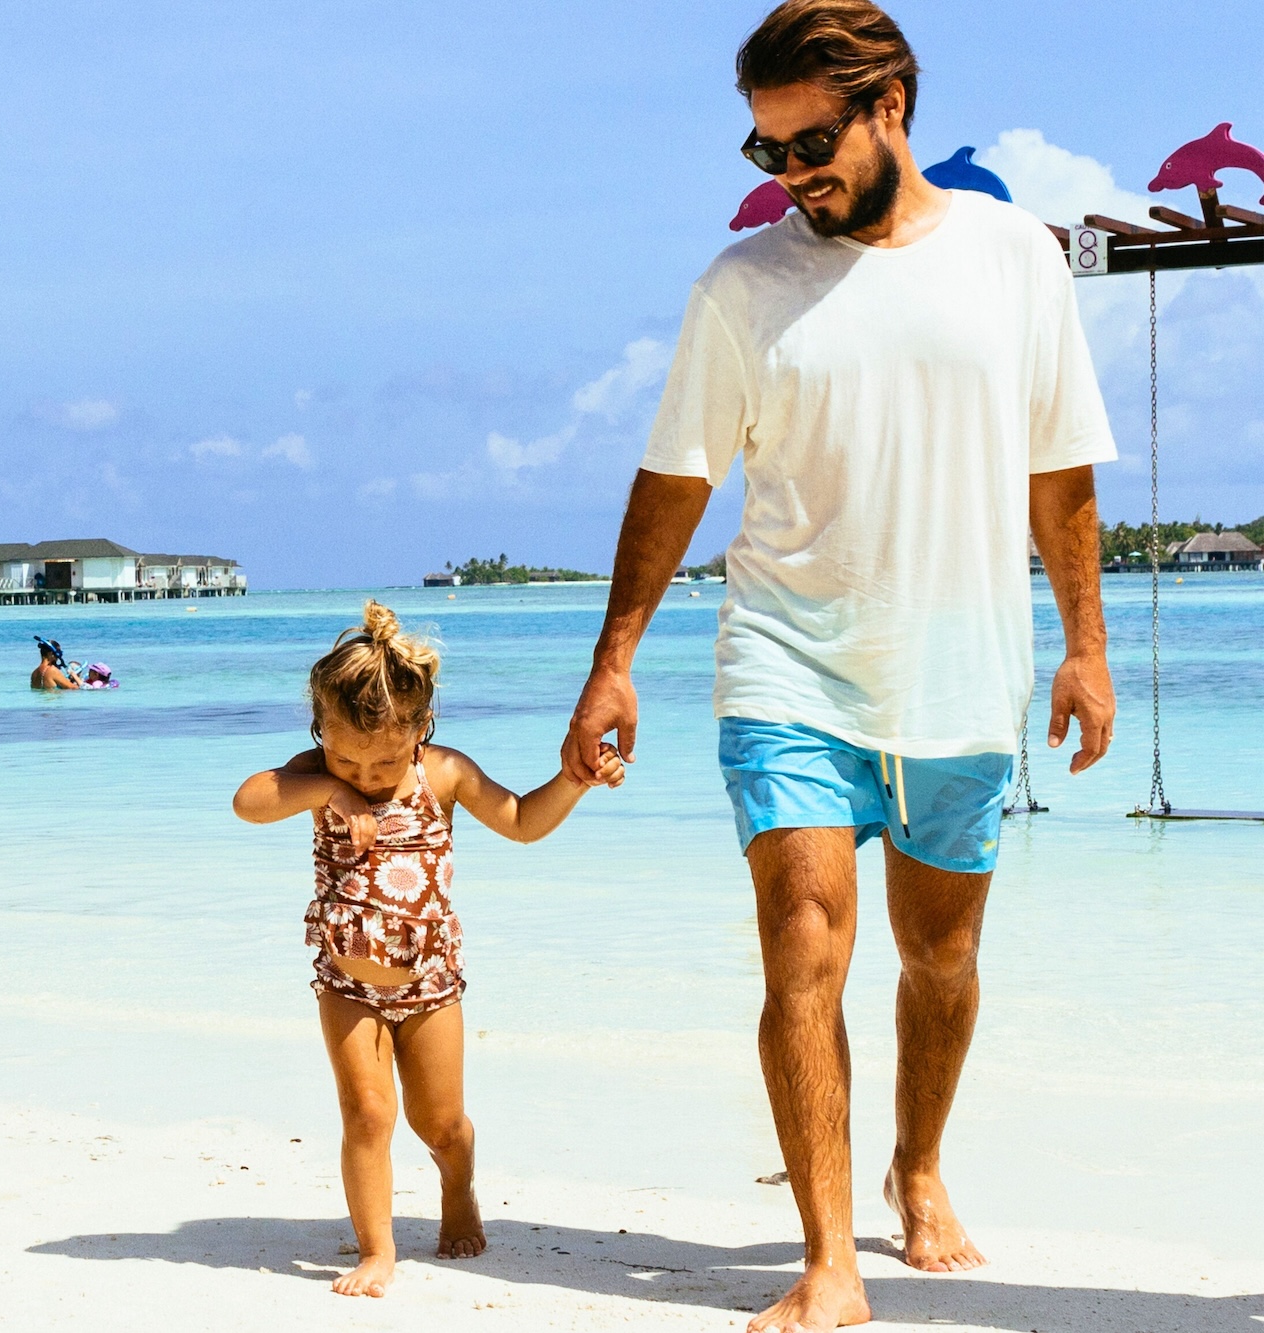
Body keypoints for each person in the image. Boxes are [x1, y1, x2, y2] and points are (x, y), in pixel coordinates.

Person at [561, 4, 1117, 1329]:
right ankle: (828, 1260)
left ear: (890, 108)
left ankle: (916, 1167)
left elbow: (1060, 473)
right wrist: (613, 661)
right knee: (802, 943)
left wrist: (1086, 649)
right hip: (788, 666)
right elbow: (674, 482)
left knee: (940, 955)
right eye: (765, 151)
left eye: (810, 143)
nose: (789, 174)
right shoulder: (740, 288)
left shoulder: (1013, 259)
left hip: (960, 671)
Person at [236, 603, 624, 1298]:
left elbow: (521, 821)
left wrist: (576, 780)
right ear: (320, 730)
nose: (365, 774)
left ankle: (458, 1186)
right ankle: (377, 1249)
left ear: (422, 730)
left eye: (384, 760)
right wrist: (326, 785)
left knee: (440, 1123)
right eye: (346, 757)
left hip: (431, 983)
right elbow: (248, 801)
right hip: (345, 984)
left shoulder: (442, 773)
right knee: (368, 1114)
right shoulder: (314, 775)